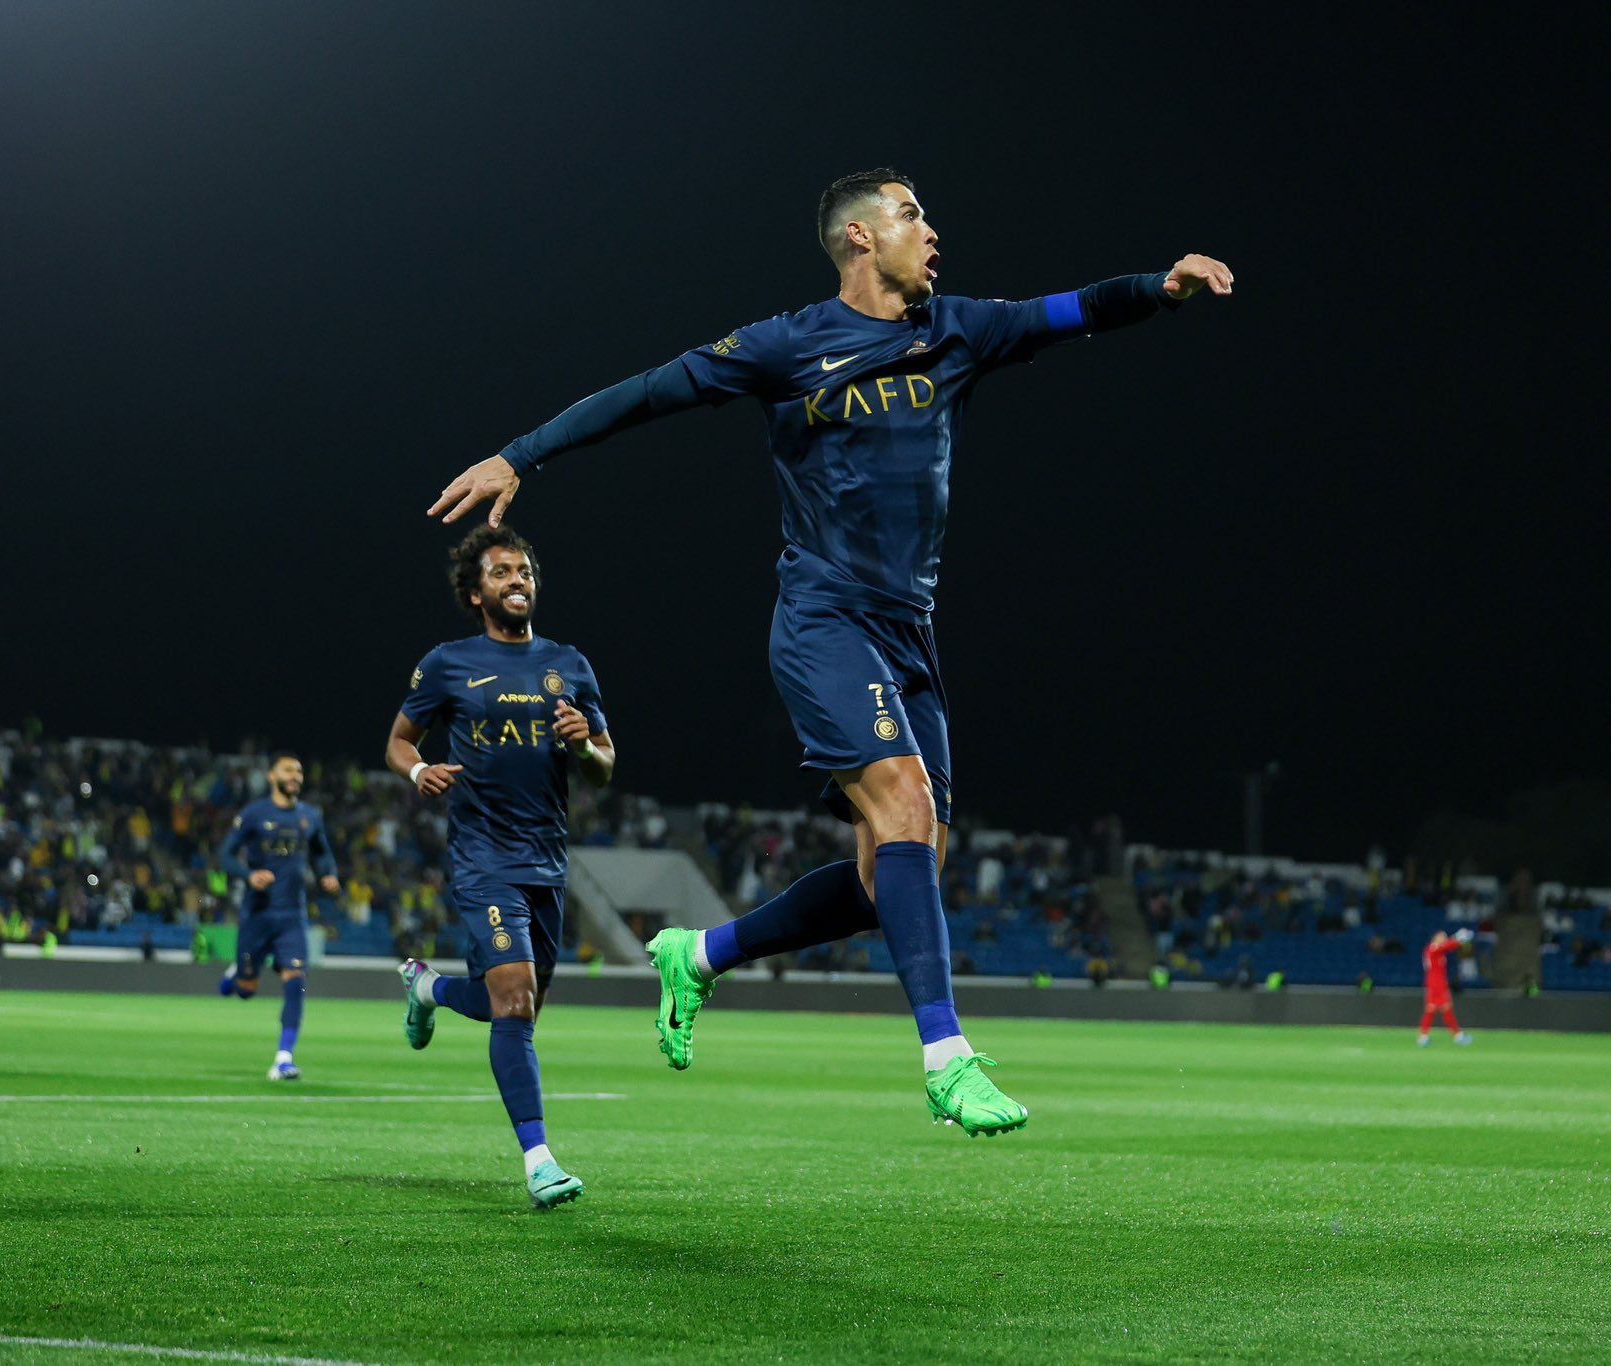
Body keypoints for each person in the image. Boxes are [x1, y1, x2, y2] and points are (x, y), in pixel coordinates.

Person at [429, 169, 1231, 1138]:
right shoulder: (788, 344)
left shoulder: (962, 331)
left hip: (909, 635)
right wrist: (521, 452)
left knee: (894, 871)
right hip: (823, 619)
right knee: (904, 803)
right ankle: (946, 1056)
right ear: (858, 236)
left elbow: (1073, 309)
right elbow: (648, 393)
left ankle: (701, 953)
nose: (931, 232)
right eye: (910, 214)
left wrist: (1163, 287)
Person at [387, 525, 613, 1207]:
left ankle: (425, 990)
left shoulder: (568, 664)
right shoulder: (449, 663)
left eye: (525, 572)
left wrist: (585, 750)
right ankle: (540, 1162)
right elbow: (399, 740)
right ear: (475, 590)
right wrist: (421, 768)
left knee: (511, 1006)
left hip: (547, 859)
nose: (518, 581)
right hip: (483, 856)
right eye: (502, 573)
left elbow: (605, 768)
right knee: (514, 997)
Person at [217, 753, 340, 1080]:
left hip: (292, 915)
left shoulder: (311, 817)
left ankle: (284, 1058)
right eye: (288, 770)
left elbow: (323, 855)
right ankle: (236, 976)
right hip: (257, 914)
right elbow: (226, 855)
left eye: (299, 771)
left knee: (296, 981)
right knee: (246, 989)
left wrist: (329, 875)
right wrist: (248, 874)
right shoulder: (255, 814)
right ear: (272, 776)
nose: (295, 775)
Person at [1418, 930, 1473, 1047]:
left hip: (1436, 983)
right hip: (1436, 984)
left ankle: (1424, 1037)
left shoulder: (1437, 950)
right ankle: (1458, 1036)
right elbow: (1447, 945)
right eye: (1442, 937)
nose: (1444, 938)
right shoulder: (1432, 949)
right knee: (1441, 1009)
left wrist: (1458, 939)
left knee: (1434, 1010)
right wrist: (1459, 937)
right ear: (1435, 938)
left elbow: (1448, 946)